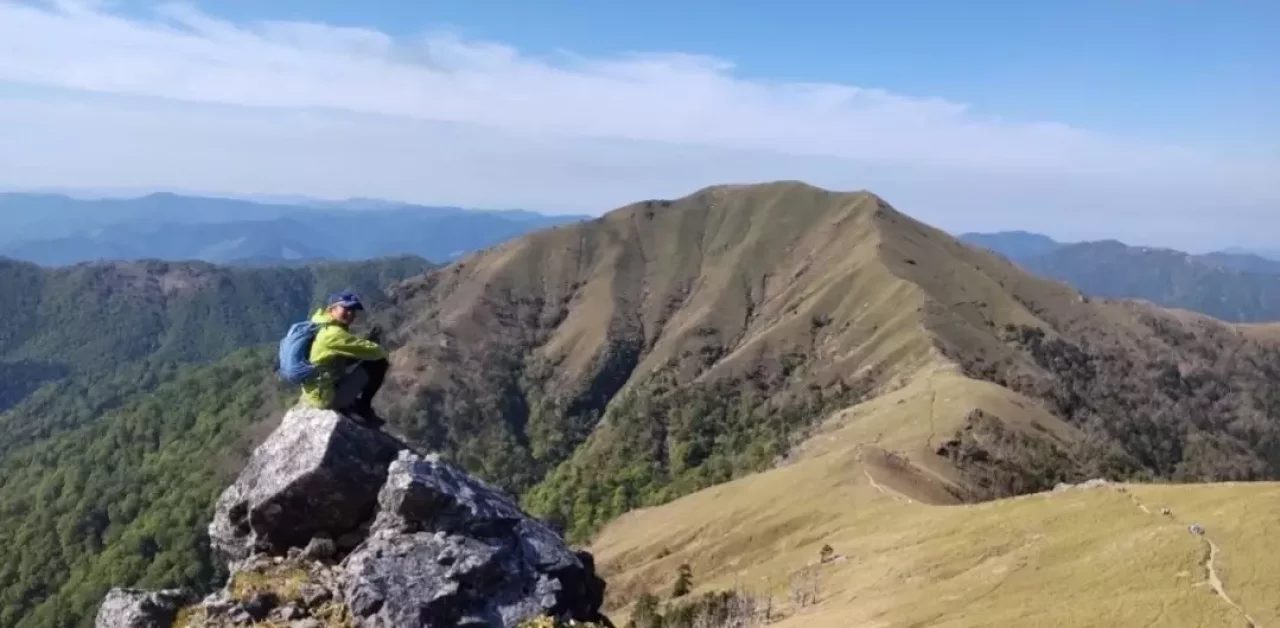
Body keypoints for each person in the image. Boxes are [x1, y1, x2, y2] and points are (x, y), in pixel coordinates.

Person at [299, 291, 389, 427]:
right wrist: (372, 345)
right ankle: (363, 409)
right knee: (379, 364)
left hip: (316, 390)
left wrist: (364, 345)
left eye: (353, 310)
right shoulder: (333, 334)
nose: (350, 313)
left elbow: (340, 358)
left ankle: (353, 404)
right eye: (346, 308)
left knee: (359, 359)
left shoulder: (319, 323)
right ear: (332, 309)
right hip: (325, 397)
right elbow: (378, 353)